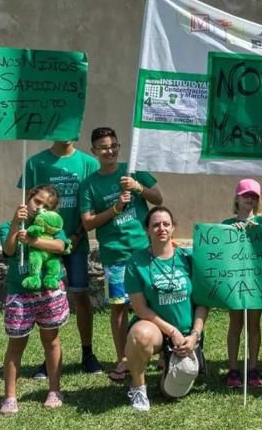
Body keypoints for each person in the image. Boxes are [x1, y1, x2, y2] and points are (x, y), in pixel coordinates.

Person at [79, 127, 162, 383]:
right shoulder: (89, 185)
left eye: (114, 145)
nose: (110, 150)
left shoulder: (132, 170)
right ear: (94, 152)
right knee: (119, 308)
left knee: (156, 303)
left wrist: (137, 187)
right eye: (104, 147)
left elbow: (158, 198)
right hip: (115, 255)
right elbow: (87, 223)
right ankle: (123, 358)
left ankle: (162, 353)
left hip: (144, 251)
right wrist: (115, 209)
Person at [18, 140, 102, 378]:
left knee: (80, 294)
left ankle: (88, 354)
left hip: (76, 242)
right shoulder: (35, 163)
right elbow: (27, 206)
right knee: (47, 297)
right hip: (42, 246)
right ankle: (49, 359)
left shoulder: (89, 163)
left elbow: (91, 204)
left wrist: (76, 235)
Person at [124, 207, 209, 412]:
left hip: (187, 334)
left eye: (166, 224)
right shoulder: (136, 263)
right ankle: (138, 387)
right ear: (147, 230)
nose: (161, 228)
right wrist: (171, 331)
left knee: (171, 392)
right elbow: (141, 308)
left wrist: (195, 335)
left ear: (173, 227)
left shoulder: (189, 259)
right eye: (155, 224)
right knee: (139, 335)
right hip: (156, 329)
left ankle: (169, 365)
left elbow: (202, 303)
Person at [0, 185, 70, 415]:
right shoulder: (9, 226)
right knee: (16, 343)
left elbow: (60, 246)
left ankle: (54, 390)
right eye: (37, 202)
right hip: (20, 293)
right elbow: (9, 250)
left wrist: (33, 241)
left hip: (48, 292)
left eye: (47, 206)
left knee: (51, 340)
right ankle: (10, 397)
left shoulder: (52, 227)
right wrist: (14, 223)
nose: (40, 209)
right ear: (28, 198)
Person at [223, 179, 262, 390]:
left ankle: (253, 367)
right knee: (235, 324)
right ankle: (233, 369)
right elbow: (220, 253)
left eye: (254, 196)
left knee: (254, 324)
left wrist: (259, 232)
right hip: (235, 282)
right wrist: (230, 232)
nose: (250, 199)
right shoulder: (226, 224)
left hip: (256, 281)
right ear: (237, 197)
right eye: (246, 195)